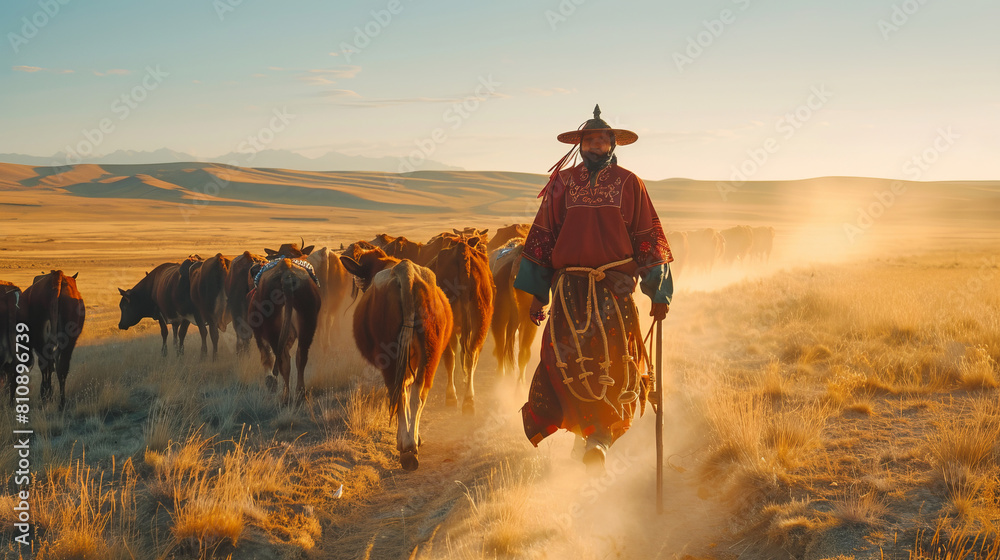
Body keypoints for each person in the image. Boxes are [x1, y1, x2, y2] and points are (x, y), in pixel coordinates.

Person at [513, 105, 673, 471]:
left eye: (602, 140)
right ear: (580, 145)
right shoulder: (562, 183)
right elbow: (543, 237)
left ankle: (600, 435)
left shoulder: (630, 183)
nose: (596, 145)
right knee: (563, 360)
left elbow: (647, 237)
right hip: (569, 289)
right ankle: (587, 432)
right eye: (590, 140)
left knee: (616, 361)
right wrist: (539, 295)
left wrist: (658, 292)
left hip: (614, 288)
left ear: (613, 144)